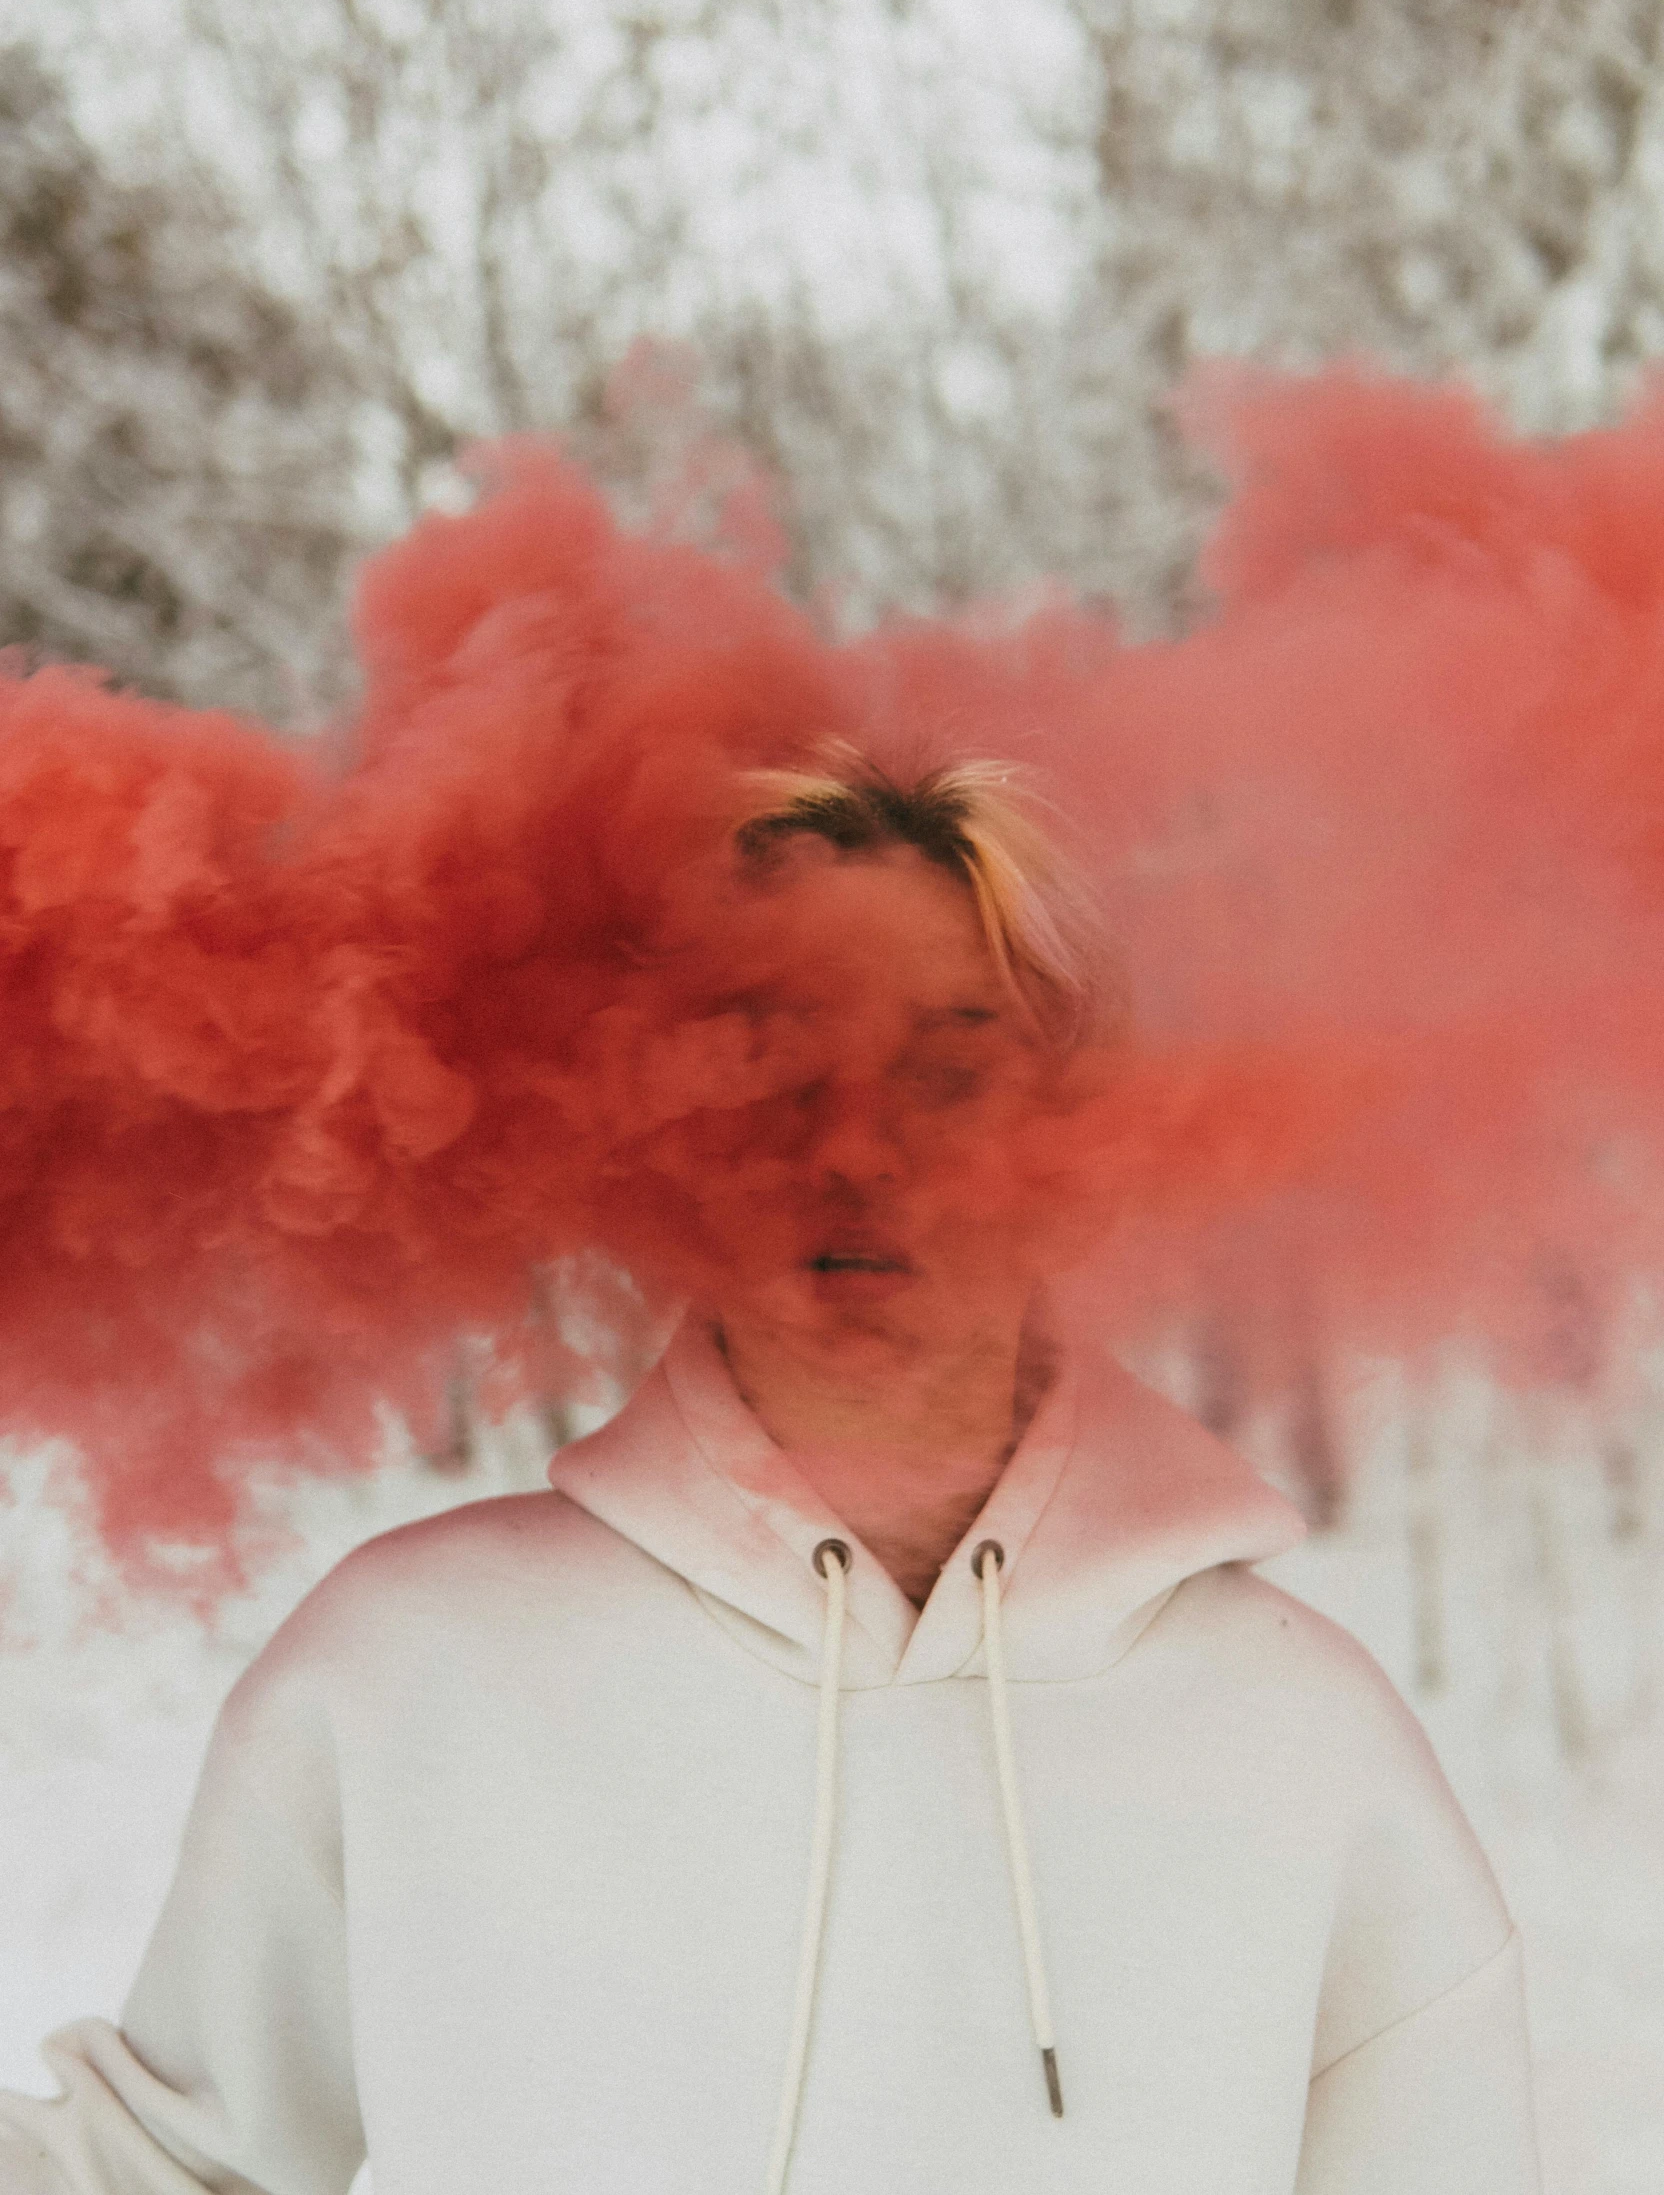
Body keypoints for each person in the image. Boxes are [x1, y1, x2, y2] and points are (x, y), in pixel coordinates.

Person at [0, 751, 1541, 2194]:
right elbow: (172, 2169)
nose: (857, 1150)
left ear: (1088, 1135)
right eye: (776, 1069)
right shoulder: (407, 1669)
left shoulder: (1298, 1736)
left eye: (953, 1072)